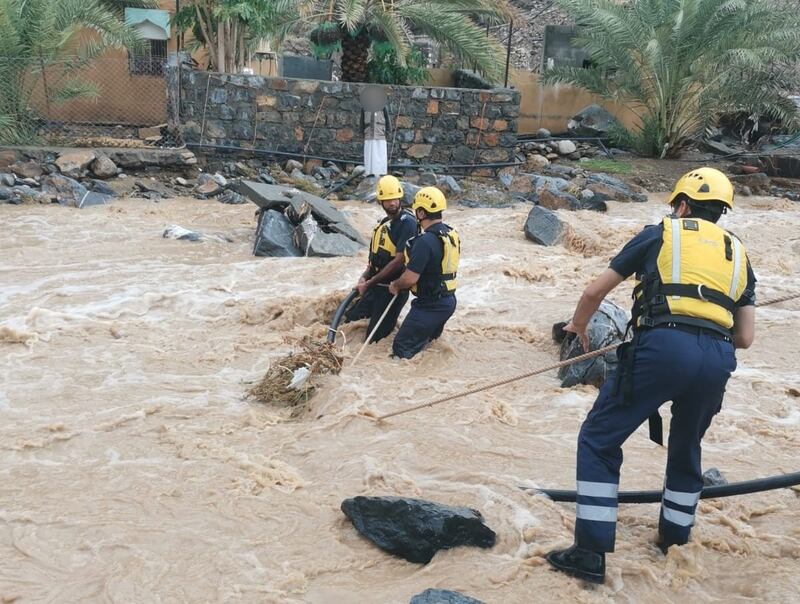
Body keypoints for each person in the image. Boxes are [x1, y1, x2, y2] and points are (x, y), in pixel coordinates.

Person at [546, 168, 757, 584]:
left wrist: (578, 328)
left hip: (662, 347)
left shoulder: (661, 232)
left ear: (681, 204)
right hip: (717, 357)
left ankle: (590, 552)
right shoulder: (739, 253)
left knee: (599, 438)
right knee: (686, 444)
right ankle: (674, 539)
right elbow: (745, 337)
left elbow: (594, 292)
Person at [344, 175, 418, 343]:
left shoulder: (408, 223)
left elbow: (399, 260)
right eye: (387, 199)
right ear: (381, 201)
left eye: (395, 199)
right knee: (349, 321)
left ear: (400, 198)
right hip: (375, 286)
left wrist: (368, 283)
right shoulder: (383, 224)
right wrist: (364, 277)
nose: (392, 203)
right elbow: (374, 261)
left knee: (374, 340)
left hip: (392, 291)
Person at [389, 187, 460, 359]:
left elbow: (410, 278)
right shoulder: (450, 234)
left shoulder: (424, 242)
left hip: (430, 305)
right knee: (427, 346)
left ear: (421, 213)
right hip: (448, 302)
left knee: (401, 349)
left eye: (417, 211)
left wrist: (395, 285)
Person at [360, 87, 391, 177]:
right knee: (369, 154)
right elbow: (361, 121)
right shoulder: (364, 107)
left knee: (380, 154)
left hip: (380, 134)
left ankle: (380, 172)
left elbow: (387, 119)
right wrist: (361, 131)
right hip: (368, 134)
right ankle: (369, 172)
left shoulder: (383, 106)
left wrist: (389, 131)